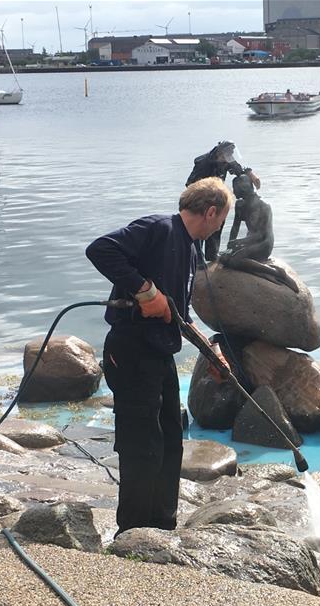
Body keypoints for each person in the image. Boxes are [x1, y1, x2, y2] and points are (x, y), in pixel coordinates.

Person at [85, 177, 232, 537]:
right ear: (211, 212)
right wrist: (145, 290)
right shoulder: (159, 228)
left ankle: (163, 528)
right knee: (142, 443)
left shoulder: (189, 248)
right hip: (131, 351)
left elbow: (179, 315)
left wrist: (211, 352)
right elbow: (100, 249)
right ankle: (132, 533)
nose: (221, 228)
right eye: (222, 220)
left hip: (160, 354)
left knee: (169, 440)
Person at [219, 175, 298, 293]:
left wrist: (240, 242)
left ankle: (276, 273)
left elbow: (261, 235)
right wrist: (230, 246)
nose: (233, 191)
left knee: (235, 261)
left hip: (264, 244)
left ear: (243, 188)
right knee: (224, 259)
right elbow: (235, 228)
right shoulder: (240, 205)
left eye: (235, 188)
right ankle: (254, 267)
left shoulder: (264, 206)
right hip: (249, 241)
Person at [185, 141, 261, 262]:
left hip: (216, 199)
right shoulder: (204, 164)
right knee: (199, 228)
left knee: (216, 225)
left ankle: (212, 255)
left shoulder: (225, 160)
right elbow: (190, 184)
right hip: (201, 199)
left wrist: (251, 175)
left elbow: (239, 170)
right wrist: (207, 190)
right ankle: (197, 258)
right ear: (220, 154)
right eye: (227, 156)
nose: (229, 159)